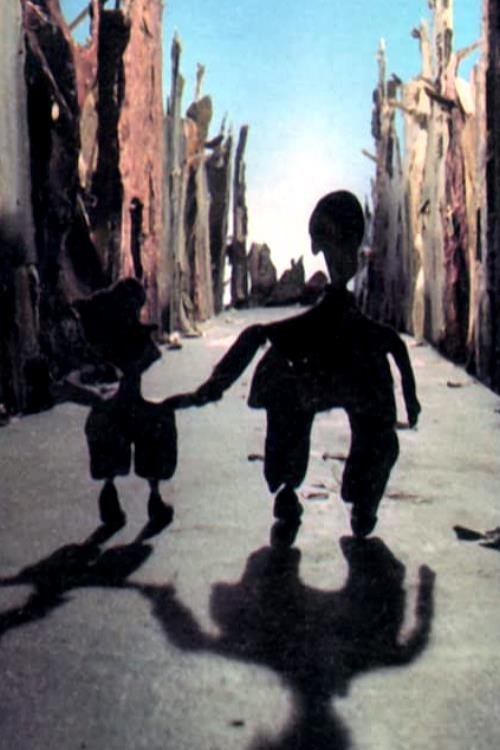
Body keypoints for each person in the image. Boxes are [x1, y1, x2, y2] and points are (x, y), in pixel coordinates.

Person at [193, 191, 421, 537]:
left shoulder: (369, 339)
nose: (333, 255)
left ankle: (345, 495)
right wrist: (215, 384)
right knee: (293, 401)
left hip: (333, 367)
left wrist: (215, 385)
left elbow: (258, 335)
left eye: (334, 241)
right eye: (328, 242)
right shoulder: (367, 338)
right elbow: (395, 349)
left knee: (372, 428)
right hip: (315, 369)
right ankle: (321, 494)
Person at [66, 278, 185, 529]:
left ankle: (111, 498)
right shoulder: (135, 340)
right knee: (158, 425)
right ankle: (154, 498)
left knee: (109, 434)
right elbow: (143, 365)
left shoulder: (99, 337)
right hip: (131, 410)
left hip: (108, 411)